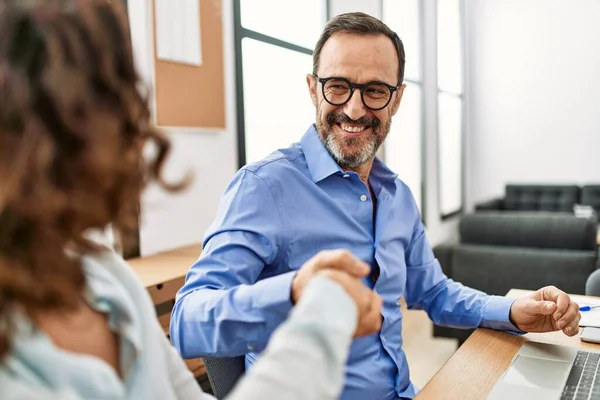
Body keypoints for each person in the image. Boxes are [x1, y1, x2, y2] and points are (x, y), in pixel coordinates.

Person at [170, 11, 582, 400]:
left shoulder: (397, 195)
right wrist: (293, 294)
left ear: (397, 99)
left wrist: (513, 310)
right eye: (337, 86)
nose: (354, 108)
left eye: (374, 91)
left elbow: (434, 293)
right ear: (313, 88)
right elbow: (187, 321)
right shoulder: (262, 187)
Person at [0, 1, 383, 399]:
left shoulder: (103, 276)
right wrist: (318, 314)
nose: (132, 142)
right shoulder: (263, 185)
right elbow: (190, 318)